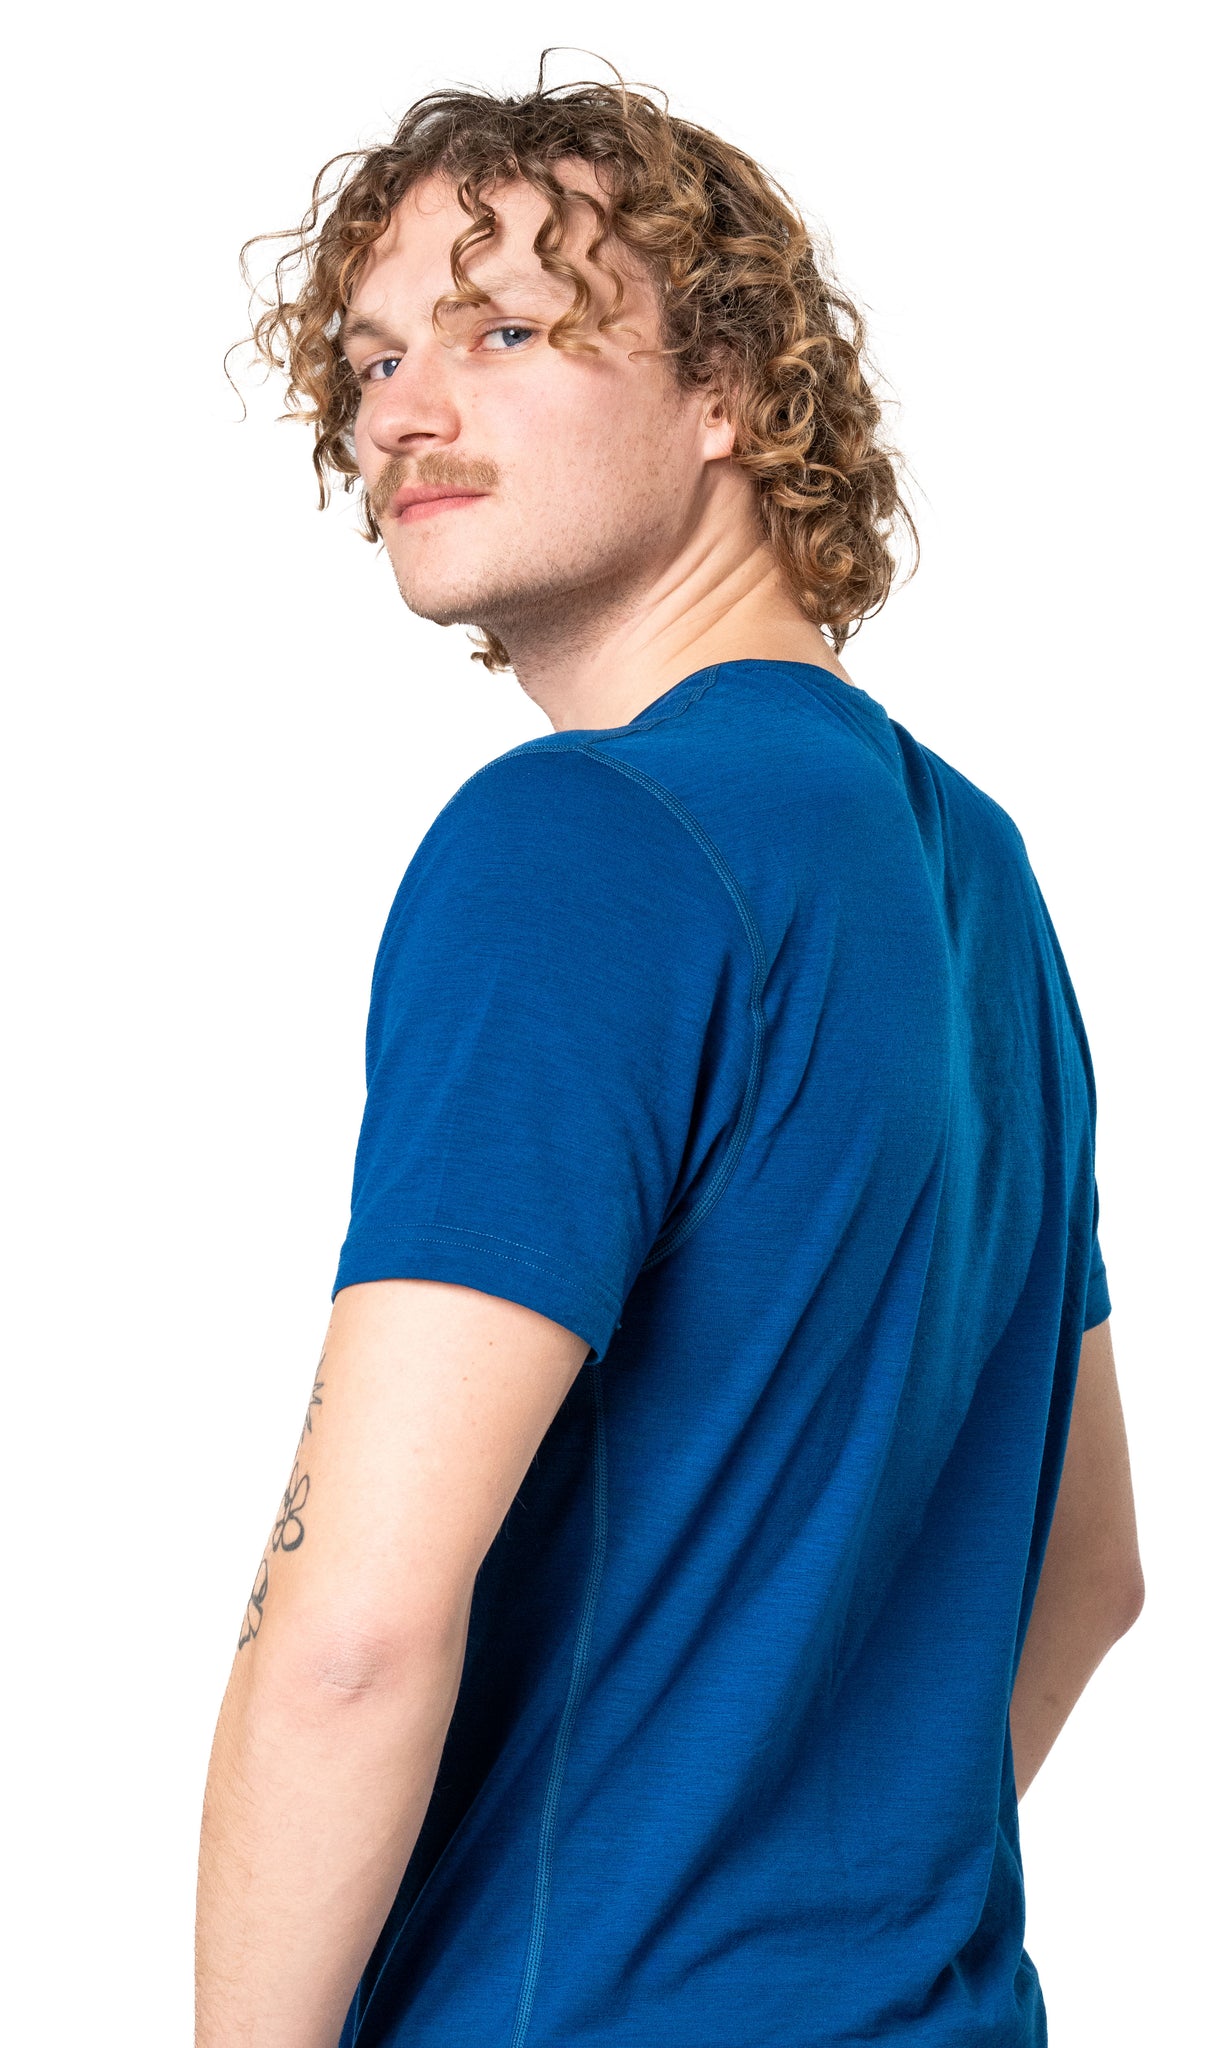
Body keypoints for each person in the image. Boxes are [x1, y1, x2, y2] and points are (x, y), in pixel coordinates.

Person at [196, 66, 1143, 2048]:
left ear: (727, 388)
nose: (400, 410)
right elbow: (1091, 1566)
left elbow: (351, 1635)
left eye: (500, 330)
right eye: (370, 358)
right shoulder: (974, 874)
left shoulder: (575, 843)